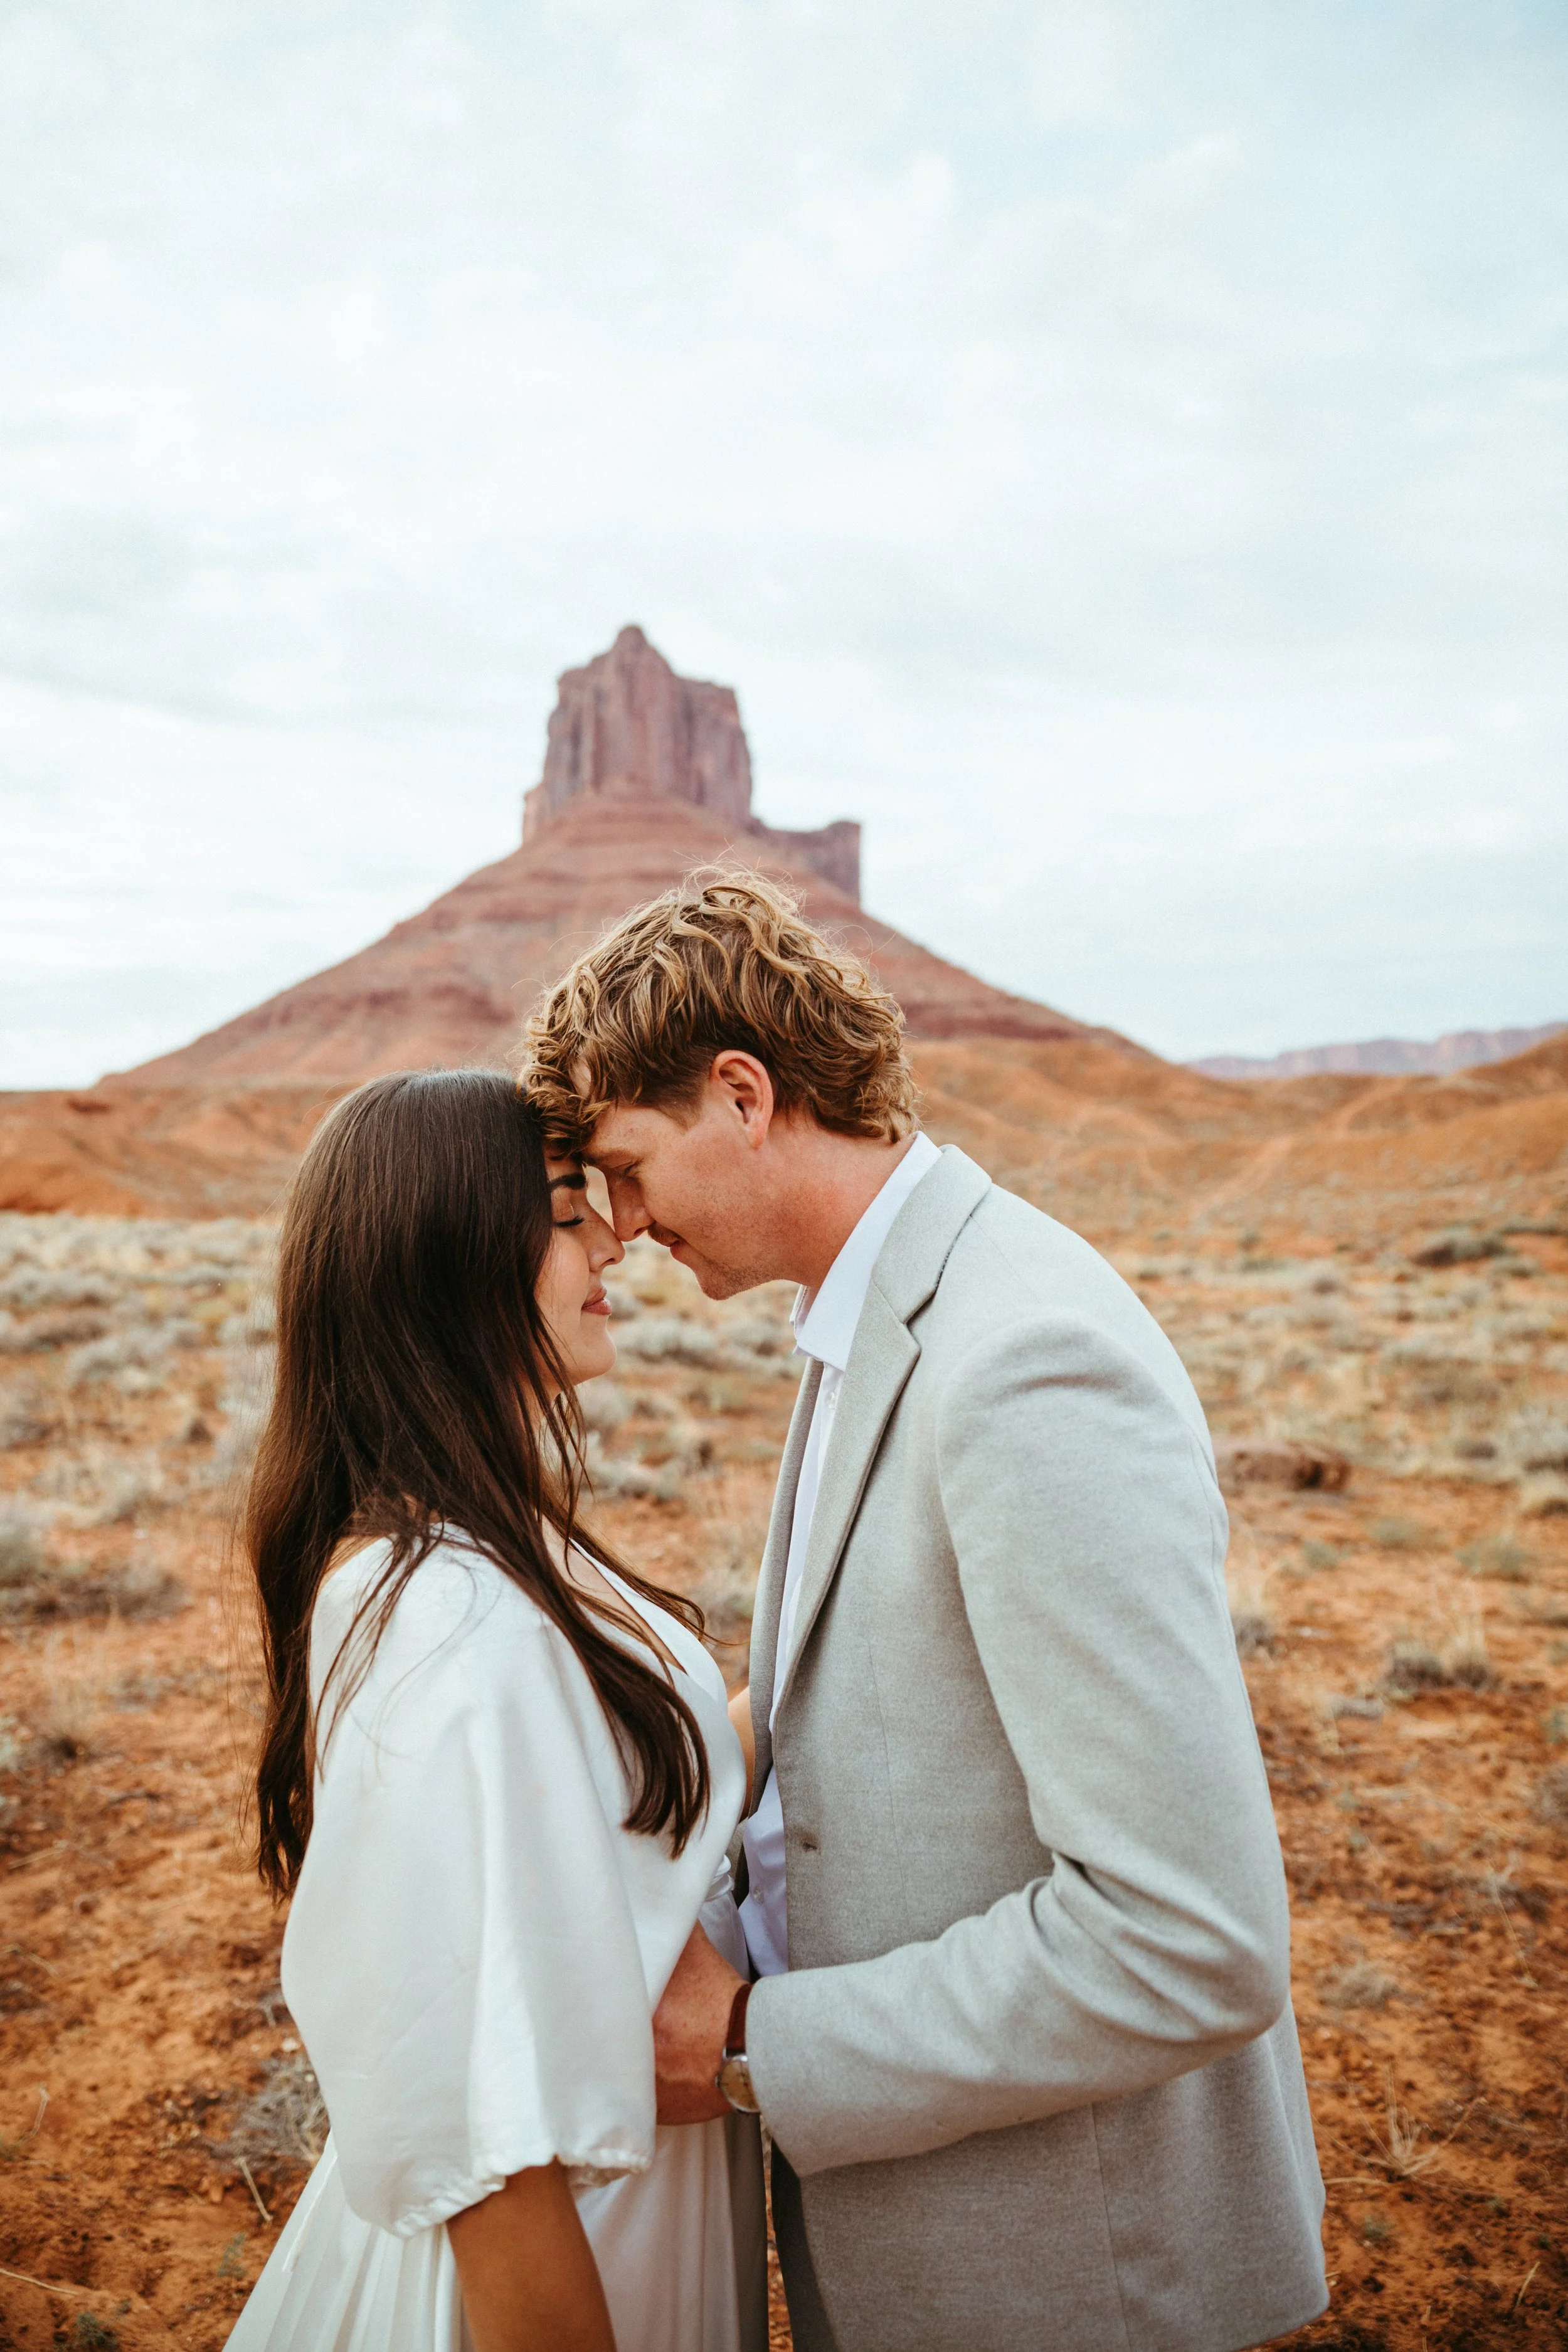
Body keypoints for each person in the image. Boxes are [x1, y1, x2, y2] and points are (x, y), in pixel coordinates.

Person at [522, 874, 1328, 2352]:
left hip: (1067, 2281)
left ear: (743, 1095)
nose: (621, 1229)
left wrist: (752, 2041)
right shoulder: (875, 1313)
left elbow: (1187, 1939)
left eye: (629, 1169)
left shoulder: (1020, 1359)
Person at [226, 1068, 766, 2352]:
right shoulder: (445, 1619)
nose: (612, 1235)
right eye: (562, 1208)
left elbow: (616, 1795)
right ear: (446, 1252)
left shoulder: (482, 1542)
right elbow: (495, 2167)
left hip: (617, 2216)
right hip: (552, 2272)